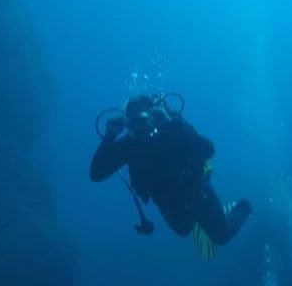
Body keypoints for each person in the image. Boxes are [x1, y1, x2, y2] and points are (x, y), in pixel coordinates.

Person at [89, 94, 252, 258]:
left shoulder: (172, 126)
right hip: (168, 204)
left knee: (222, 236)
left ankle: (242, 208)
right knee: (183, 231)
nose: (140, 129)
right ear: (128, 124)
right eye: (134, 124)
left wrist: (173, 124)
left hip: (198, 193)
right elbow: (96, 174)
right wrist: (109, 137)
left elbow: (208, 150)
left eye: (143, 121)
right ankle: (203, 220)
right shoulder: (129, 145)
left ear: (152, 116)